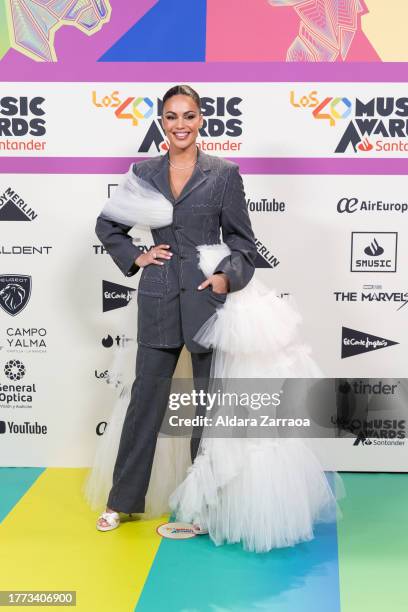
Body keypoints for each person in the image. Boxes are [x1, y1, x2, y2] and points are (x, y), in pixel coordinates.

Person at [91, 84, 258, 531]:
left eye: (188, 115)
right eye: (171, 116)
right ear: (161, 122)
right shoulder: (143, 173)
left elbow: (243, 243)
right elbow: (108, 225)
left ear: (201, 119)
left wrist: (226, 277)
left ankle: (204, 505)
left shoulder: (224, 174)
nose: (180, 124)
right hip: (159, 298)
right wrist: (136, 256)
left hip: (207, 298)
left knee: (207, 406)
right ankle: (121, 501)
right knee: (145, 401)